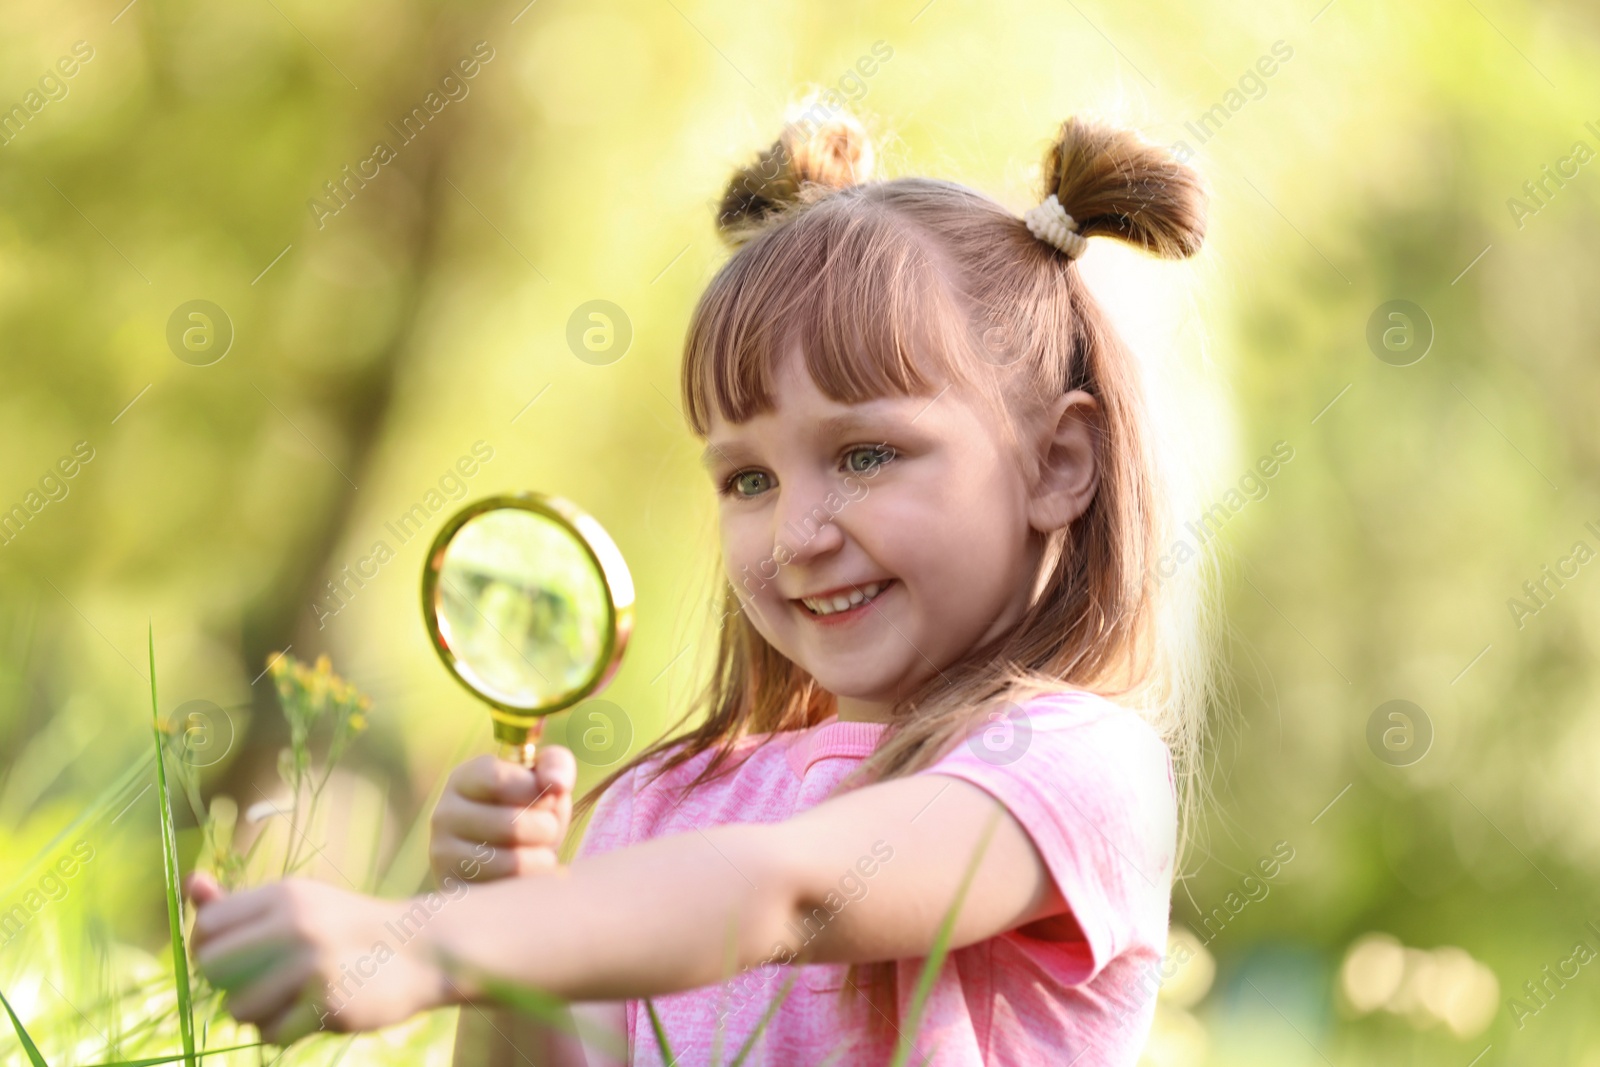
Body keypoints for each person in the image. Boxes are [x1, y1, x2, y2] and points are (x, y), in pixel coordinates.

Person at [186, 106, 1213, 1066]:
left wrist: (427, 943)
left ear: (1057, 462)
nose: (798, 535)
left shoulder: (1074, 765)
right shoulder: (663, 805)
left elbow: (790, 892)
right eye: (749, 477)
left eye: (865, 455)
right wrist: (502, 907)